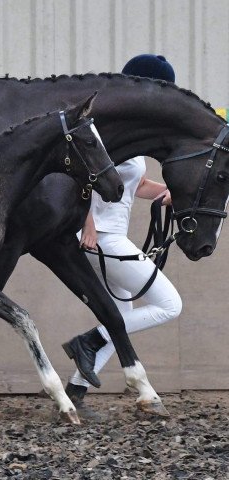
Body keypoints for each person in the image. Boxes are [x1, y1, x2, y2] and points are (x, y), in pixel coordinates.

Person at [62, 54, 182, 418]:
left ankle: (74, 393)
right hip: (102, 238)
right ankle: (90, 340)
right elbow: (80, 174)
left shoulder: (127, 129)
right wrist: (88, 224)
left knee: (120, 314)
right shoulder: (102, 126)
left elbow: (136, 182)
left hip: (112, 235)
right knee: (169, 305)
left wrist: (168, 189)